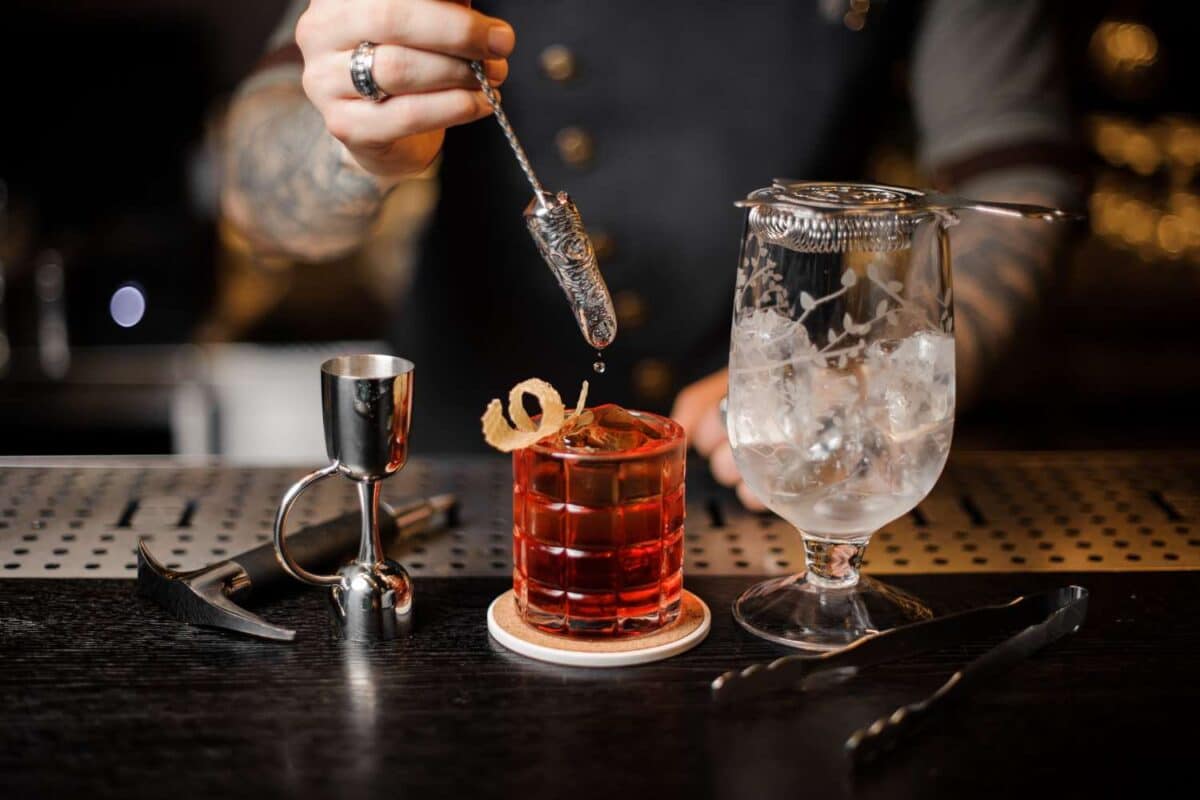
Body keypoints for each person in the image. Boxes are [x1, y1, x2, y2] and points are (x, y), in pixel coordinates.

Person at [222, 0, 1079, 507]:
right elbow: (256, 203)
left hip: (783, 474)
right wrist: (354, 149)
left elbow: (1019, 185)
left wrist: (883, 380)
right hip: (470, 492)